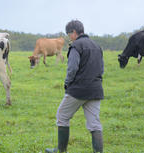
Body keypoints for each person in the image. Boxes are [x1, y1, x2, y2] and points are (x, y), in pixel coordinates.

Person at [45, 20, 104, 153]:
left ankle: (61, 150)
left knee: (62, 116)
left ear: (74, 32)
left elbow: (72, 69)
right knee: (94, 123)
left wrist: (67, 83)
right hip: (96, 89)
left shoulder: (76, 46)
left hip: (78, 90)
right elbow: (101, 69)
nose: (68, 36)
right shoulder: (97, 46)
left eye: (68, 33)